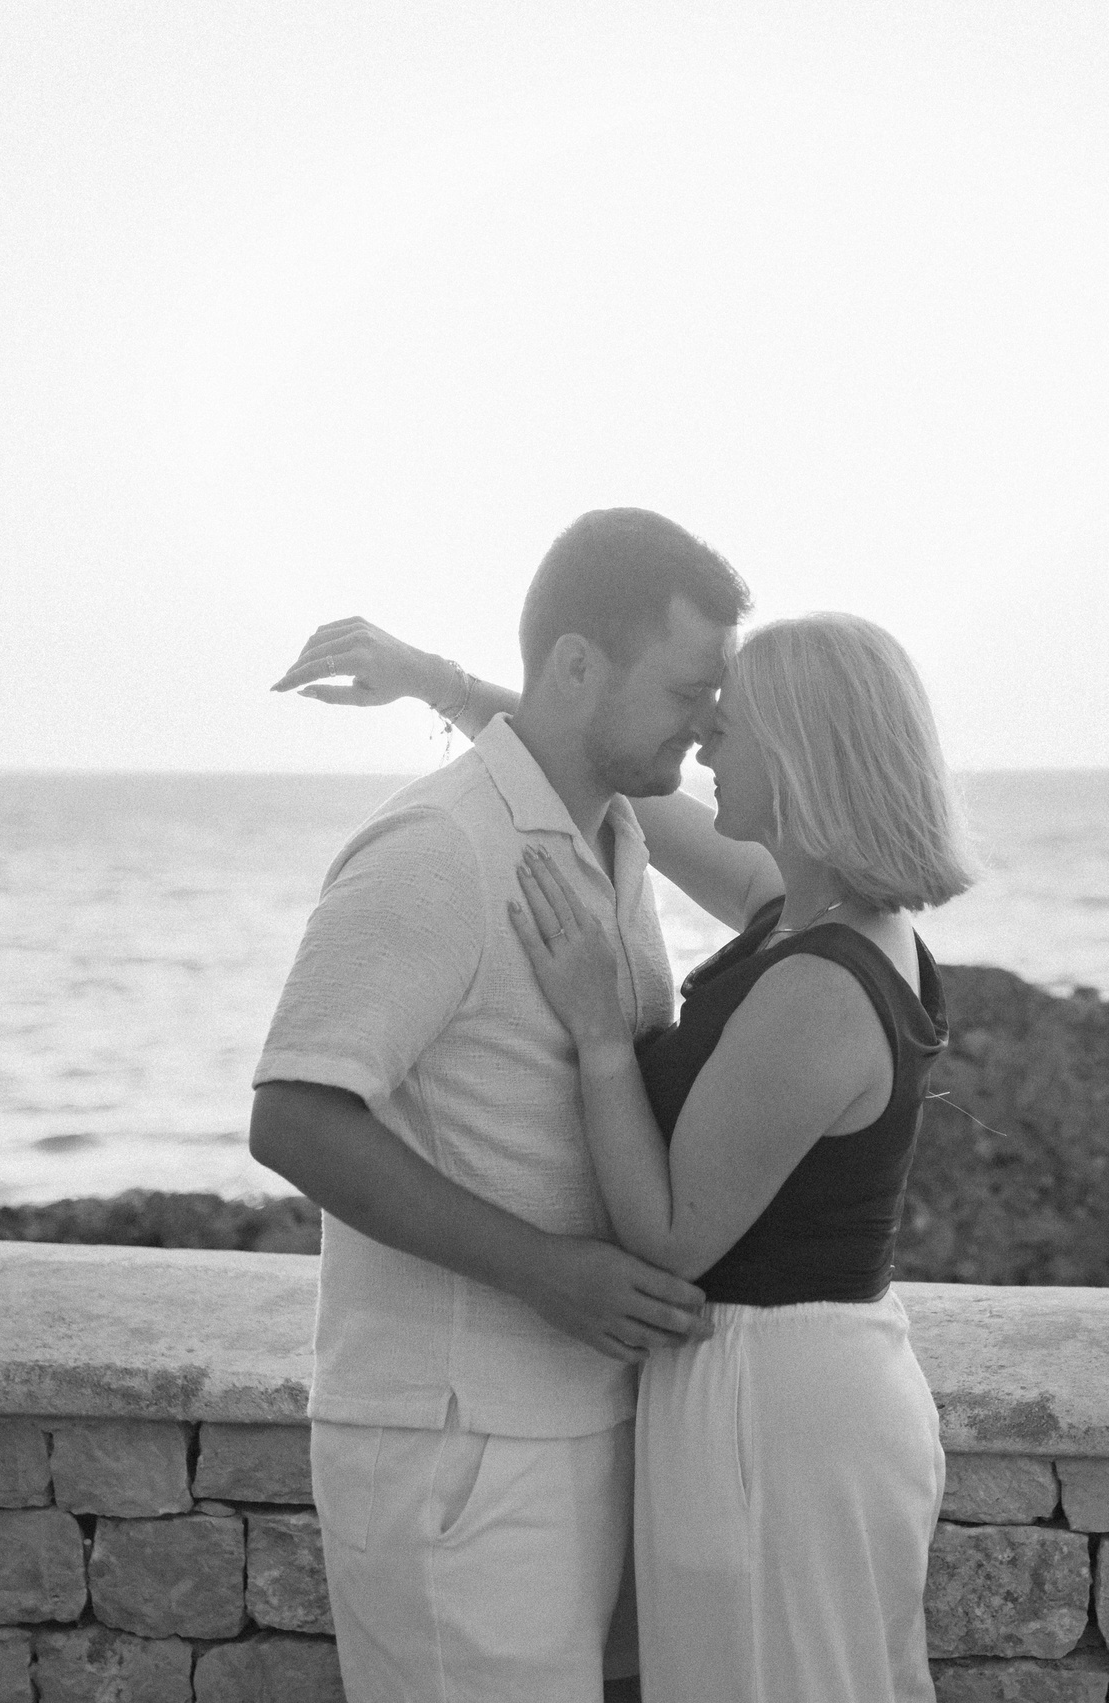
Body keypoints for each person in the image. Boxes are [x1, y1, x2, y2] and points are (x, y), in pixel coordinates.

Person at [272, 606, 975, 1702]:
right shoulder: (810, 913)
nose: (703, 739)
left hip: (776, 1405)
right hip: (788, 1389)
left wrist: (602, 1033)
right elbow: (591, 758)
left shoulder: (819, 981)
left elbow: (669, 1237)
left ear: (800, 756)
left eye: (728, 719)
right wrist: (442, 682)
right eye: (696, 705)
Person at [248, 508, 749, 1703]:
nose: (708, 721)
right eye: (687, 688)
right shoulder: (440, 843)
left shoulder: (614, 834)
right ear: (576, 665)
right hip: (458, 1443)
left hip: (587, 1416)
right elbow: (295, 1115)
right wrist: (547, 1271)